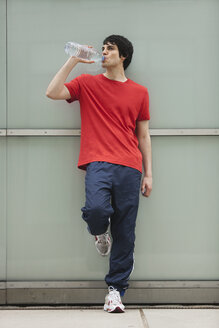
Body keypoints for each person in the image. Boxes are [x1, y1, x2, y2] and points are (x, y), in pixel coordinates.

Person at [46, 35, 152, 313]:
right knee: (95, 210)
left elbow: (143, 135)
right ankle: (99, 233)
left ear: (124, 56)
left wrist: (149, 173)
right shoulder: (88, 83)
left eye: (110, 48)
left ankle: (115, 291)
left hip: (130, 165)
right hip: (98, 162)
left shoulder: (140, 92)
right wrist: (73, 60)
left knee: (126, 231)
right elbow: (53, 92)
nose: (104, 52)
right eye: (103, 48)